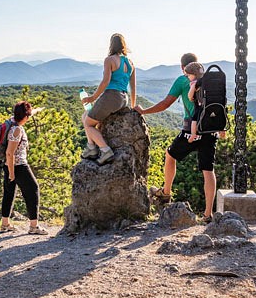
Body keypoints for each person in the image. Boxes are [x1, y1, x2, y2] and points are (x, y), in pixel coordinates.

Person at [134, 53, 218, 223]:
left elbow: (165, 104)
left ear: (183, 68)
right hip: (210, 131)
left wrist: (143, 111)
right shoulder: (209, 79)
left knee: (170, 155)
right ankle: (208, 214)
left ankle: (166, 193)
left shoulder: (182, 80)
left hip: (191, 131)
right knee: (208, 171)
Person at [80, 33, 137, 165]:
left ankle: (105, 150)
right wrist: (133, 106)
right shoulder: (130, 63)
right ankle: (91, 148)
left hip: (111, 96)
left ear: (111, 44)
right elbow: (133, 87)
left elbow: (105, 82)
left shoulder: (110, 60)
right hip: (124, 98)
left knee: (88, 123)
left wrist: (92, 97)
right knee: (86, 116)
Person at [0, 101, 48, 235]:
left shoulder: (12, 121)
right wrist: (12, 173)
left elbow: (27, 115)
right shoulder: (17, 130)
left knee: (9, 193)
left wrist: (38, 109)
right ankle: (34, 226)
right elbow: (10, 152)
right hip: (18, 166)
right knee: (33, 189)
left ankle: (5, 224)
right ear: (25, 117)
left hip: (8, 164)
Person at [184, 61, 205, 143]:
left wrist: (193, 87)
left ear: (194, 74)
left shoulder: (194, 83)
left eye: (189, 75)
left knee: (194, 119)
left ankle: (193, 134)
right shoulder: (206, 81)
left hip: (199, 105)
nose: (188, 77)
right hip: (207, 104)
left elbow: (190, 96)